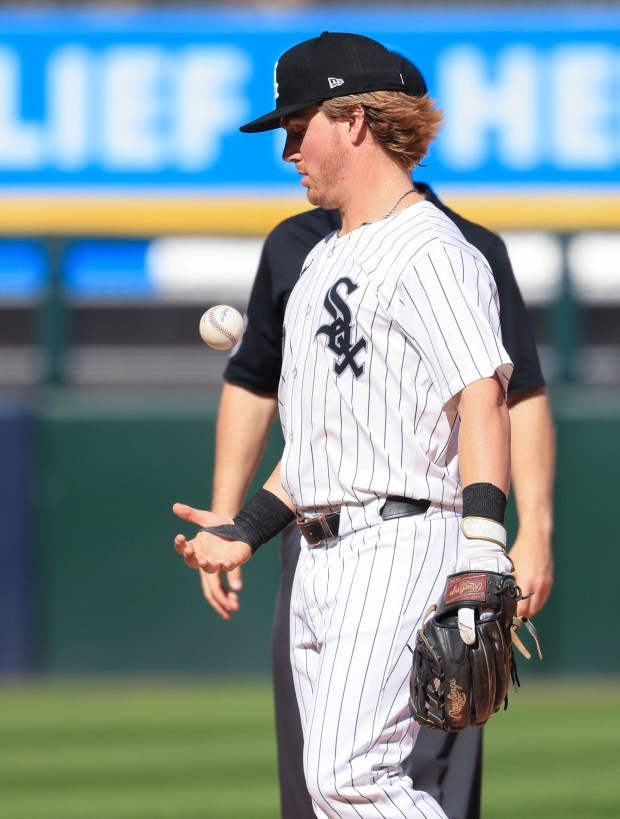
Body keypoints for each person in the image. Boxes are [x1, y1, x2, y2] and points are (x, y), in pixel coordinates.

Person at [173, 32, 544, 818]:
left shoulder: (434, 252)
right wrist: (244, 529)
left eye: (296, 125)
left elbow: (484, 396)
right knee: (329, 788)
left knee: (351, 778)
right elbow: (310, 452)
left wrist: (485, 546)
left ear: (354, 120)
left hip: (402, 540)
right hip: (318, 558)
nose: (287, 149)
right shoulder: (316, 265)